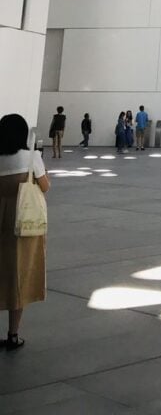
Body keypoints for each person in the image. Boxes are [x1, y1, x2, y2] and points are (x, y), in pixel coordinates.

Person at [0, 113, 51, 349]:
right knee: (18, 275)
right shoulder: (31, 157)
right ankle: (13, 335)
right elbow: (45, 186)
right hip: (21, 222)